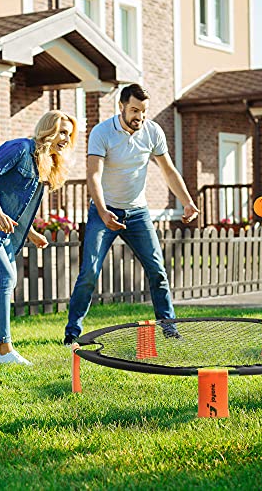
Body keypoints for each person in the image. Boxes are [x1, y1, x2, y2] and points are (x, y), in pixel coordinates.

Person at [64, 83, 199, 344]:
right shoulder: (102, 132)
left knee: (157, 271)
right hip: (104, 211)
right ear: (121, 107)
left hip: (137, 212)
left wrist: (188, 202)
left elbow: (169, 170)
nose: (140, 117)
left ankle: (169, 328)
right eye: (135, 110)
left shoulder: (152, 131)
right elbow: (93, 175)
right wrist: (102, 211)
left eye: (144, 112)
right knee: (89, 273)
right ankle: (72, 334)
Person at [0, 110, 78, 365]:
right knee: (5, 277)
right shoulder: (19, 148)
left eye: (69, 133)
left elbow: (18, 206)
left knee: (7, 280)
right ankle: (4, 349)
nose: (66, 138)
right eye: (62, 131)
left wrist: (31, 233)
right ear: (48, 129)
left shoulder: (42, 162)